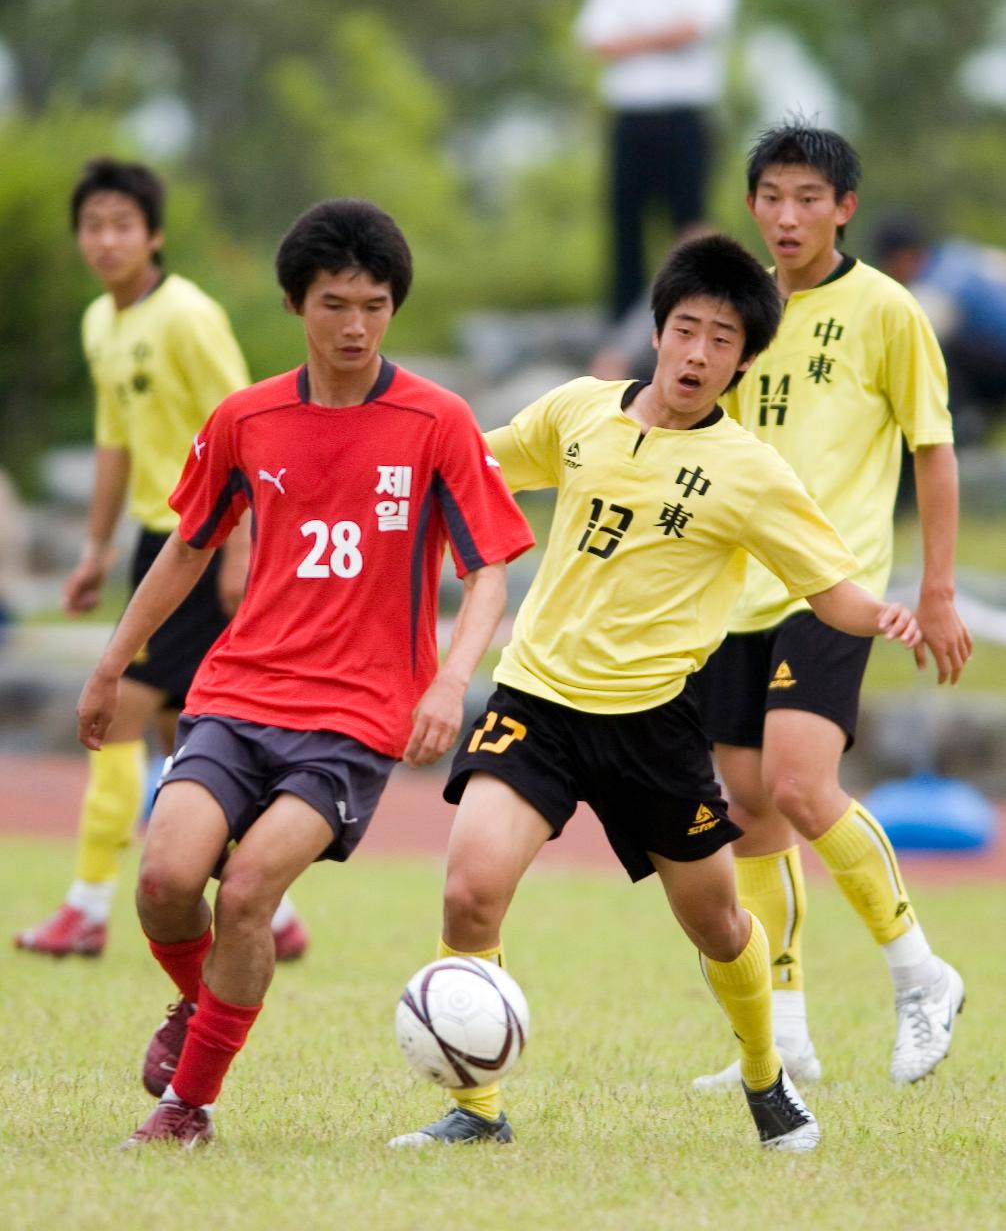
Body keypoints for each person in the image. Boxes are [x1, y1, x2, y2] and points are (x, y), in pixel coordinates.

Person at [389, 234, 924, 1154]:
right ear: (658, 331)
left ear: (745, 361)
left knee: (718, 924)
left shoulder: (752, 473)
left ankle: (766, 1077)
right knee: (470, 893)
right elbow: (478, 466)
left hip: (654, 725)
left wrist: (888, 615)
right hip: (538, 701)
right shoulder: (580, 413)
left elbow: (829, 588)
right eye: (686, 330)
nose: (698, 354)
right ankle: (478, 1113)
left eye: (723, 341)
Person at [75, 197, 534, 1148]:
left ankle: (188, 1106)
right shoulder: (246, 419)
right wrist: (113, 661)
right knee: (163, 881)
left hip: (358, 717)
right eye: (335, 303)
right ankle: (200, 1006)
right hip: (237, 694)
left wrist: (451, 680)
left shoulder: (438, 421)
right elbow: (185, 547)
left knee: (246, 894)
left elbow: (490, 565)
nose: (356, 325)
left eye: (374, 303)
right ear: (296, 305)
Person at [691, 122, 972, 1094]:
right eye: (771, 194)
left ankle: (920, 972)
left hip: (831, 581)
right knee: (749, 807)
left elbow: (932, 451)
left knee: (803, 785)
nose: (787, 214)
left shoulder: (886, 310)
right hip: (731, 591)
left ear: (843, 206)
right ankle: (786, 1034)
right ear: (751, 204)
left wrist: (932, 589)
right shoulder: (733, 307)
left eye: (808, 195)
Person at [14, 157, 309, 965]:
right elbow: (114, 443)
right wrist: (94, 549)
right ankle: (276, 917)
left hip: (209, 537)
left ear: (155, 233)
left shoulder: (187, 316)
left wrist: (241, 546)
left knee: (118, 717)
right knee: (192, 730)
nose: (106, 241)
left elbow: (249, 425)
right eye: (93, 226)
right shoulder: (99, 323)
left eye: (122, 225)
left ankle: (85, 907)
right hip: (154, 543)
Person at [575, 0, 738, 323]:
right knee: (625, 224)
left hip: (685, 116)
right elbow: (596, 41)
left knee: (690, 221)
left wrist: (631, 40)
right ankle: (621, 326)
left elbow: (697, 28)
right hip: (631, 117)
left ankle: (698, 312)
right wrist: (667, 35)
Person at [874, 216, 1006, 445]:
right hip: (995, 356)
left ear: (901, 257)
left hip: (997, 364)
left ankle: (963, 427)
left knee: (933, 352)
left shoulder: (932, 288)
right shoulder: (959, 252)